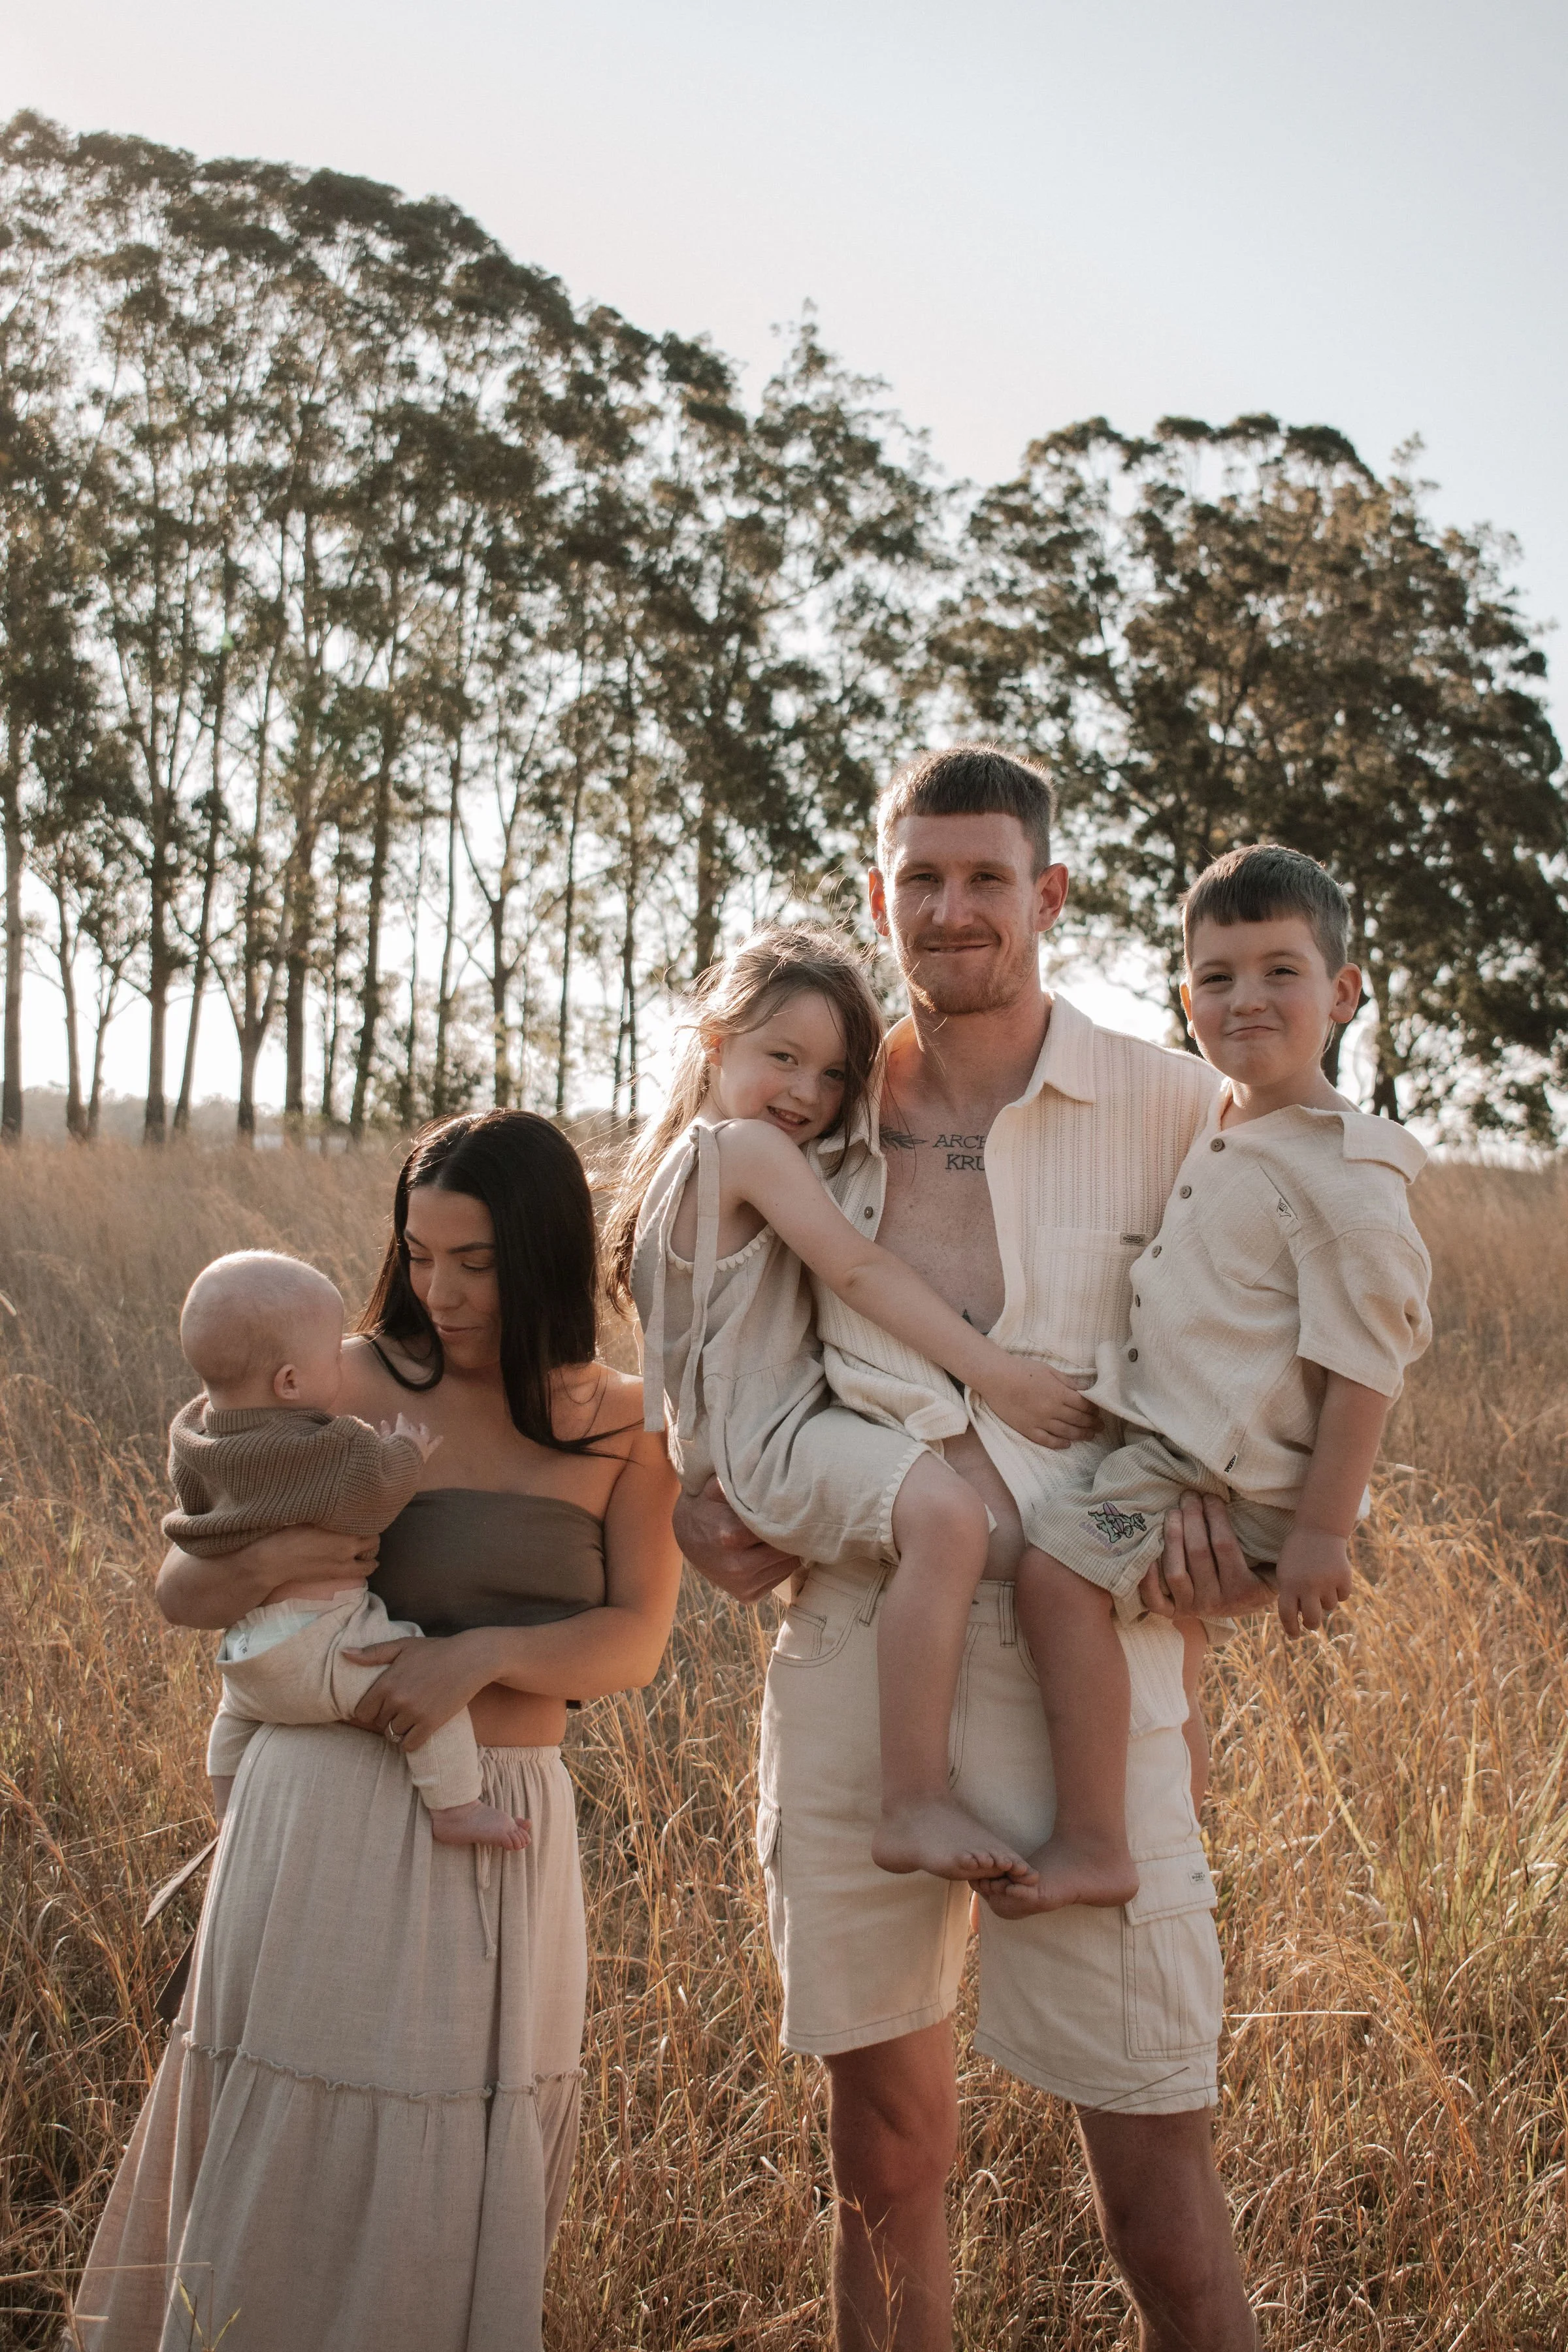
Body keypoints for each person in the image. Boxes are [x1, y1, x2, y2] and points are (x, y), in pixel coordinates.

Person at [675, 743, 1271, 2352]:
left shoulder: (1165, 1098)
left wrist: (1222, 1524)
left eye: (983, 878)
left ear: (1047, 895)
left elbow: (1265, 1336)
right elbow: (709, 1330)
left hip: (1095, 1671)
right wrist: (700, 1490)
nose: (949, 910)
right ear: (880, 896)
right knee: (882, 2154)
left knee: (1153, 2170)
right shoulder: (810, 1104)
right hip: (860, 1664)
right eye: (919, 879)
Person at [73, 1111, 681, 2352]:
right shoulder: (338, 1379)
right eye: (419, 1254)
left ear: (548, 1255)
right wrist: (292, 1553)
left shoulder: (627, 1423)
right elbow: (183, 1592)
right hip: (325, 1815)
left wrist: (484, 1655)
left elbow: (635, 1642)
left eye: (477, 1261)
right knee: (293, 2158)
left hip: (499, 1823)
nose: (440, 1292)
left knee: (451, 2170)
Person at [605, 921, 1101, 1886]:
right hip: (777, 1443)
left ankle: (917, 1791)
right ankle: (910, 1800)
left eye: (834, 1076)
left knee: (941, 1517)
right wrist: (998, 1375)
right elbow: (861, 1270)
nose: (806, 1093)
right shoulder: (744, 1151)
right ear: (716, 1044)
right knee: (949, 1521)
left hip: (758, 1443)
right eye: (782, 1057)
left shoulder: (687, 1161)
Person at [994, 842, 1432, 1917]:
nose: (1247, 999)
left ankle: (1098, 1839)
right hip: (1193, 1454)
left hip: (1243, 1486)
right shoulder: (1223, 1126)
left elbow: (1367, 1365)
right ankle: (1175, 1800)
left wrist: (1323, 1535)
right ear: (1186, 996)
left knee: (1053, 1578)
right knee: (1162, 1629)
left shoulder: (1345, 1173)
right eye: (1218, 976)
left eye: (1282, 971)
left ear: (1342, 993)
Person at [168, 1247, 528, 1850]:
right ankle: (456, 1806)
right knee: (419, 1673)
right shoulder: (322, 1445)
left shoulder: (196, 1440)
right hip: (318, 1643)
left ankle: (229, 1806)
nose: (345, 1357)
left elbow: (193, 1519)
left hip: (247, 1657)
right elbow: (373, 1498)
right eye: (334, 1352)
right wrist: (407, 1452)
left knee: (231, 1725)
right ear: (290, 1382)